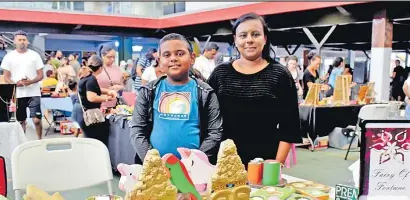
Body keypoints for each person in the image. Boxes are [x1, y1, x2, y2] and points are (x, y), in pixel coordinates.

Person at [208, 13, 301, 166]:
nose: (249, 40)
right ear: (235, 40)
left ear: (264, 39)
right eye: (243, 35)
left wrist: (276, 165)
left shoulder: (280, 74)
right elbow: (207, 118)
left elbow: (289, 127)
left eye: (255, 34)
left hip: (263, 161)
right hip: (222, 161)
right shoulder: (220, 73)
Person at [130, 33, 223, 164]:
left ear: (192, 58)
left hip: (194, 171)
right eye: (167, 55)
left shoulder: (206, 93)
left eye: (180, 54)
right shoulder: (148, 91)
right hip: (154, 170)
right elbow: (137, 130)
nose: (173, 59)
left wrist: (194, 162)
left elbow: (215, 132)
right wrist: (153, 163)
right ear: (159, 61)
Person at [1, 30, 44, 139]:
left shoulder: (34, 55)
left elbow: (40, 75)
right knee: (21, 121)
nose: (22, 42)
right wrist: (16, 84)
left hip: (34, 92)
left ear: (27, 41)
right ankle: (22, 143)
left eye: (24, 40)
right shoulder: (9, 57)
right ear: (15, 41)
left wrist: (30, 81)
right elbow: (6, 77)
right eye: (19, 40)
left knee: (37, 120)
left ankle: (40, 140)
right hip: (18, 94)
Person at [77, 55, 116, 146]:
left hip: (85, 114)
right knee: (98, 143)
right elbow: (91, 97)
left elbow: (95, 89)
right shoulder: (91, 79)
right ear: (101, 67)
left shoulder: (86, 77)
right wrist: (108, 98)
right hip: (92, 117)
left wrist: (108, 91)